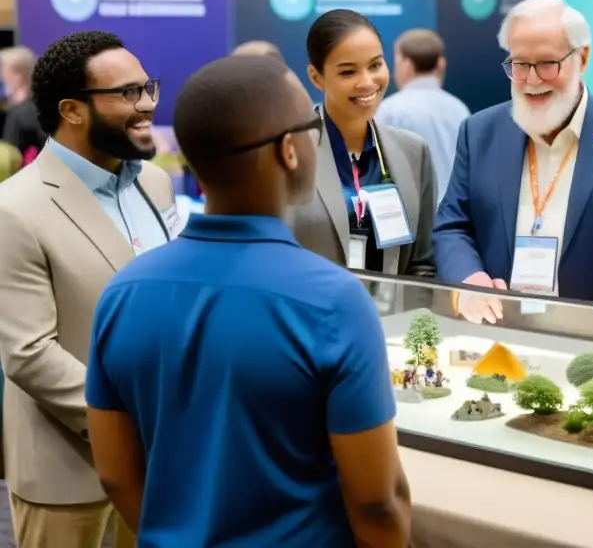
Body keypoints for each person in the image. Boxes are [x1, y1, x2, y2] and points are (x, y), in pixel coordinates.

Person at [84, 55, 411, 547]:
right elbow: (377, 503)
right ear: (289, 150)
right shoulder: (333, 302)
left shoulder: (123, 293)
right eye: (312, 126)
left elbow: (115, 474)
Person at [0, 31, 177, 548]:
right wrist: (131, 419)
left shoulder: (155, 183)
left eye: (148, 88)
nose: (146, 105)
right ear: (72, 110)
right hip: (69, 471)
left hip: (162, 459)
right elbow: (29, 352)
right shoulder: (15, 208)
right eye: (127, 93)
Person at [434, 0, 593, 322]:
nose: (531, 80)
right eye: (519, 64)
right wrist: (470, 281)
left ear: (582, 57)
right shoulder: (480, 132)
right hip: (497, 330)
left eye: (546, 63)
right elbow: (452, 226)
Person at [288, 9, 436, 275]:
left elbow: (422, 265)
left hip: (390, 315)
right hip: (310, 314)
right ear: (316, 77)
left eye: (376, 65)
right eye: (348, 72)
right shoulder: (288, 152)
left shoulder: (414, 152)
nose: (367, 83)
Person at [377, 27, 470, 204]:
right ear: (441, 64)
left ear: (407, 65)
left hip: (411, 219)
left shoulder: (389, 110)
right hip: (454, 217)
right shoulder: (459, 109)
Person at [0, 45, 46, 159]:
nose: (2, 77)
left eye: (4, 71)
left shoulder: (20, 113)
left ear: (18, 76)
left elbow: (9, 158)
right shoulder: (44, 105)